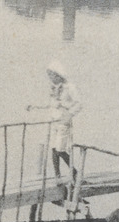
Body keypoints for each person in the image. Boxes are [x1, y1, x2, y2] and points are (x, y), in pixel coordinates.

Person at [28, 61, 82, 198]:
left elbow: (79, 103)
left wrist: (69, 114)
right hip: (53, 121)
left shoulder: (69, 87)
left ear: (59, 75)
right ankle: (57, 176)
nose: (51, 78)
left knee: (60, 149)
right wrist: (34, 106)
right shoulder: (53, 88)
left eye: (52, 75)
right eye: (49, 75)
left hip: (63, 121)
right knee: (53, 148)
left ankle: (75, 173)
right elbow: (49, 104)